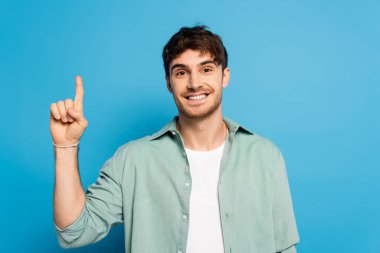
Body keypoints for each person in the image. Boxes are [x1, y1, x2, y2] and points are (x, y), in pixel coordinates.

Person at [50, 25, 300, 253]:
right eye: (181, 72)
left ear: (225, 76)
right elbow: (74, 232)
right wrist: (65, 146)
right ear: (169, 83)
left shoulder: (265, 156)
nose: (194, 83)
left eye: (206, 69)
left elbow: (284, 248)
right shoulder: (133, 159)